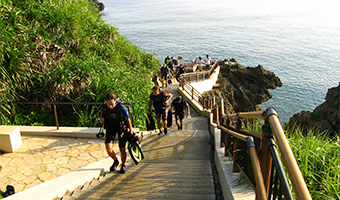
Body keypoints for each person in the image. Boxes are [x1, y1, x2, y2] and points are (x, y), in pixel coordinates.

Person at [100, 92, 134, 174]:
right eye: (108, 104)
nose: (110, 106)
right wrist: (101, 119)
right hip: (110, 128)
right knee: (108, 149)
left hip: (121, 129)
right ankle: (115, 161)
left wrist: (131, 131)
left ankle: (123, 164)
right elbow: (102, 115)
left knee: (122, 149)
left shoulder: (121, 107)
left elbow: (128, 119)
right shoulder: (104, 107)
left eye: (111, 104)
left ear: (115, 101)